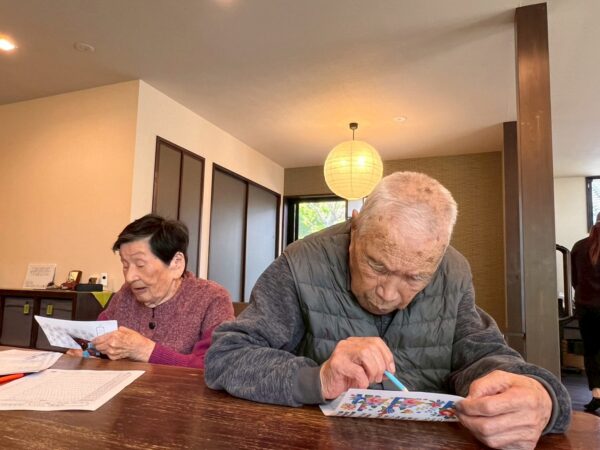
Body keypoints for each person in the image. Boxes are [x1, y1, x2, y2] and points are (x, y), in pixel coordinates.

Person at [205, 171, 571, 450]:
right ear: (356, 226)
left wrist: (542, 398)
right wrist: (318, 378)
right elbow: (226, 357)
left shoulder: (452, 271)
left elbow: (483, 356)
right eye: (377, 265)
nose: (388, 293)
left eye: (416, 277)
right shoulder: (301, 263)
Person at [70, 214, 234, 368]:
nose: (129, 277)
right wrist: (87, 354)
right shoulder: (125, 295)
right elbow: (95, 344)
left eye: (140, 265)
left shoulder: (212, 298)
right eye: (125, 265)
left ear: (176, 264)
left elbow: (216, 367)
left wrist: (146, 351)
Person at [571, 212, 600, 412]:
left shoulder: (579, 246)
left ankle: (597, 395)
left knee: (591, 351)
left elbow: (575, 280)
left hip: (586, 307)